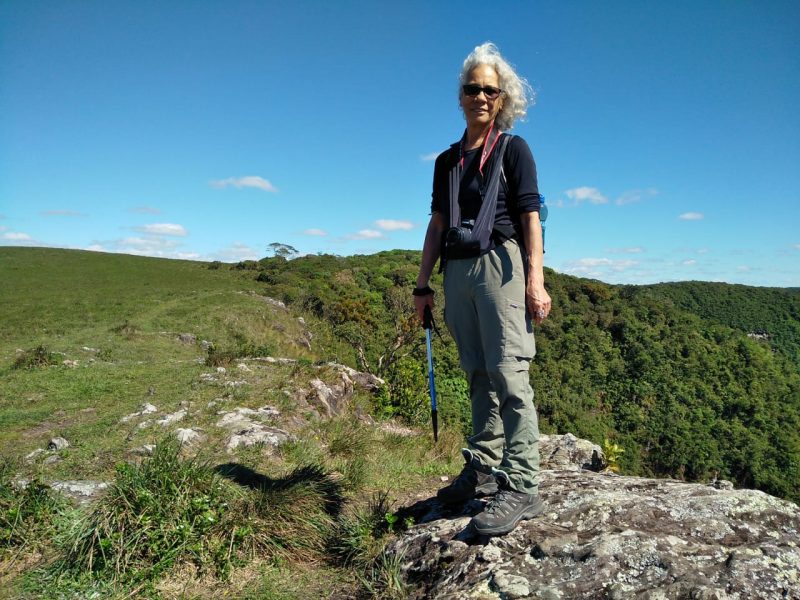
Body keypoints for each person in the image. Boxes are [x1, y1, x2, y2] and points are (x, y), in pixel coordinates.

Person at [413, 42, 551, 536]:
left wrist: (536, 279)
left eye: (490, 90)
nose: (480, 96)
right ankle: (484, 471)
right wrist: (423, 284)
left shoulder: (513, 149)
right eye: (472, 88)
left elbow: (530, 217)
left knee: (509, 373)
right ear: (461, 96)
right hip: (457, 269)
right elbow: (436, 224)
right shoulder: (447, 161)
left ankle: (523, 486)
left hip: (501, 266)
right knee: (476, 372)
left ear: (502, 98)